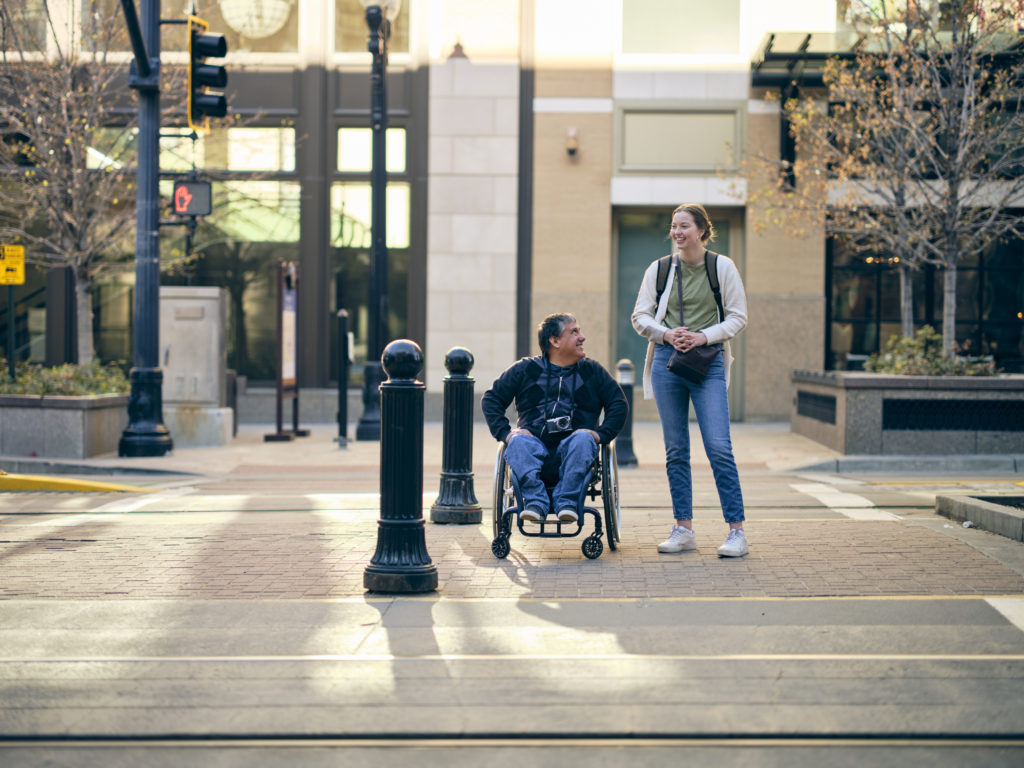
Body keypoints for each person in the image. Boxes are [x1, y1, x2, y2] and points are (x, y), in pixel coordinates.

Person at [631, 203, 750, 557]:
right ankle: (684, 528)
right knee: (676, 449)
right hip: (668, 361)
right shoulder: (661, 269)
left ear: (701, 229)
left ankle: (737, 532)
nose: (677, 232)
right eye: (673, 226)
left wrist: (704, 336)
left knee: (718, 446)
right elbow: (640, 316)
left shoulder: (721, 266)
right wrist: (667, 335)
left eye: (684, 226)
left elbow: (738, 316)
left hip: (707, 361)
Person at [482, 313, 627, 524]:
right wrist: (505, 433)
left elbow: (618, 404)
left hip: (576, 453)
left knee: (583, 438)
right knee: (518, 440)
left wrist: (601, 434)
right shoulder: (525, 370)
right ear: (555, 340)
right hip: (532, 452)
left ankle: (567, 503)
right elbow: (491, 399)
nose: (582, 337)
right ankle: (534, 503)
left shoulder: (592, 371)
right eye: (574, 331)